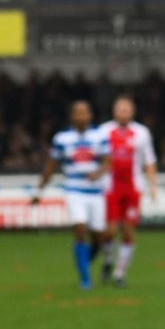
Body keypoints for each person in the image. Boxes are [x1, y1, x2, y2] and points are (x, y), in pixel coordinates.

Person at [33, 101, 111, 290]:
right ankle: (85, 278)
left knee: (100, 236)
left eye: (84, 112)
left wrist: (98, 173)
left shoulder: (99, 136)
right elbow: (51, 166)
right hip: (74, 190)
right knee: (80, 229)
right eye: (78, 113)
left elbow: (109, 161)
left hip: (95, 193)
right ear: (72, 116)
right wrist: (39, 191)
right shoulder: (62, 139)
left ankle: (85, 259)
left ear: (90, 116)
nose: (81, 116)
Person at [99, 95, 159, 287]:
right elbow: (97, 158)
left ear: (132, 111)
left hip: (133, 188)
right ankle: (108, 259)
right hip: (110, 187)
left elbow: (149, 161)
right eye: (120, 109)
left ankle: (119, 272)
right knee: (109, 230)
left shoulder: (141, 133)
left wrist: (152, 185)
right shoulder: (104, 131)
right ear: (114, 111)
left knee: (127, 230)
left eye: (126, 109)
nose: (123, 112)